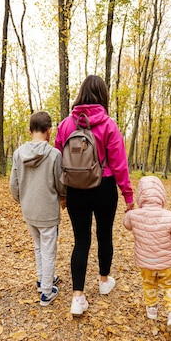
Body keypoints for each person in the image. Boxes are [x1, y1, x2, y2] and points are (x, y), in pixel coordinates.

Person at [54, 75, 134, 316]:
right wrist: (128, 195)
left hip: (76, 189)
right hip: (104, 186)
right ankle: (103, 281)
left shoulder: (66, 124)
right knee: (104, 234)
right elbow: (119, 163)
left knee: (81, 241)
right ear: (103, 95)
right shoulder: (108, 124)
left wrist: (62, 193)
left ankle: (77, 297)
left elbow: (59, 161)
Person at [10, 111, 66, 306]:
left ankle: (43, 280)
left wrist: (23, 200)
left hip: (29, 210)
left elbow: (13, 185)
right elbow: (60, 184)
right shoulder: (54, 154)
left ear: (29, 130)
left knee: (38, 247)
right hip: (48, 210)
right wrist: (63, 196)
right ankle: (47, 293)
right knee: (48, 250)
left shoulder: (18, 154)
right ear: (49, 130)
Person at [123, 176, 171, 335]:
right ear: (161, 195)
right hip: (167, 263)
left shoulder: (134, 215)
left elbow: (126, 225)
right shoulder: (170, 216)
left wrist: (129, 212)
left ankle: (152, 309)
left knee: (149, 284)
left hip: (145, 262)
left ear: (140, 196)